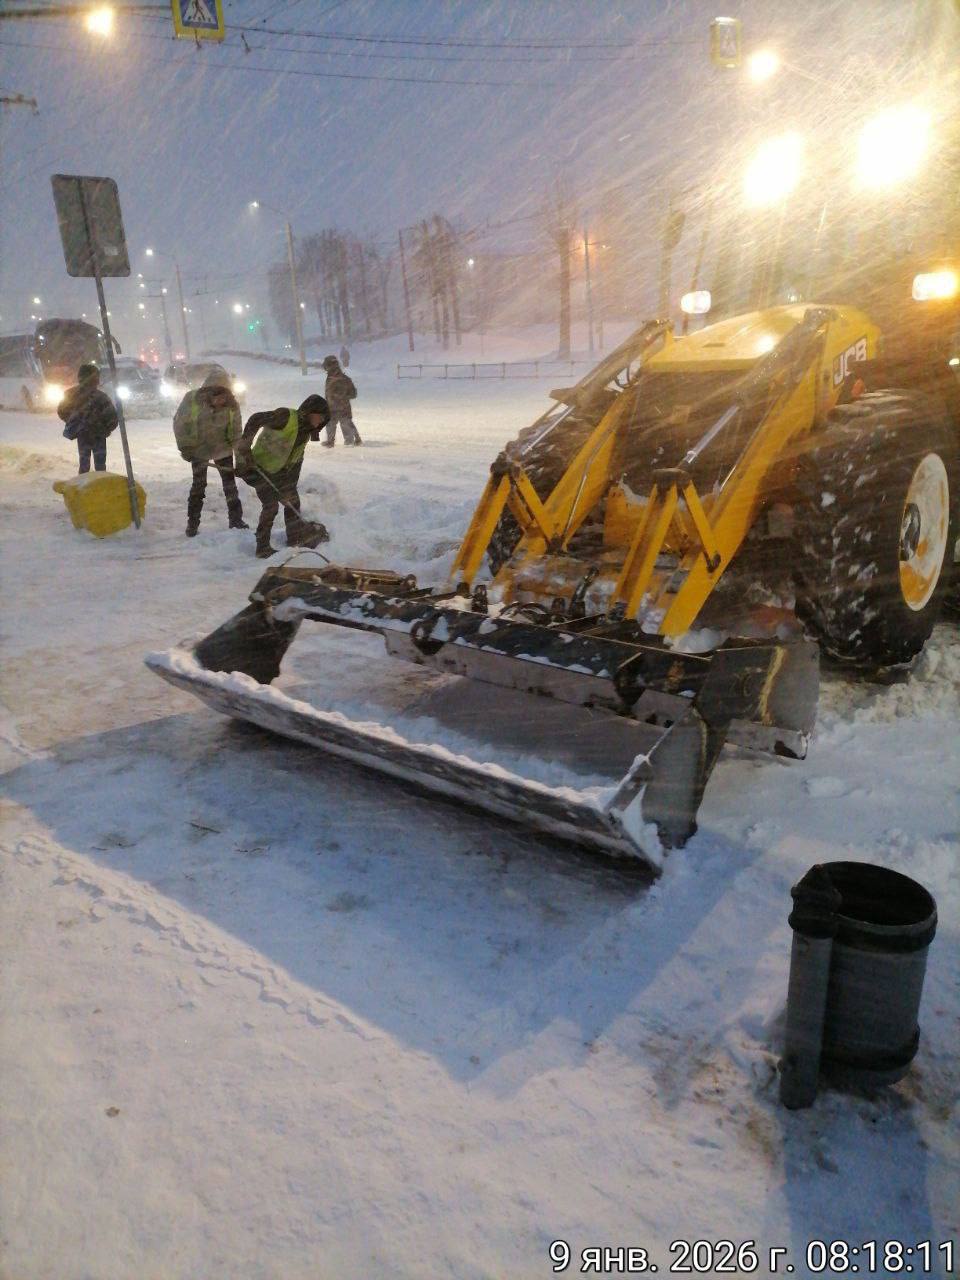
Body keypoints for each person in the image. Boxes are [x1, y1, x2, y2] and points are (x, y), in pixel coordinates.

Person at [236, 393, 330, 558]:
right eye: (320, 416)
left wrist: (290, 487)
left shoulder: (305, 432)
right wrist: (245, 447)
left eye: (323, 419)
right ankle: (262, 546)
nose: (321, 421)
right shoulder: (286, 417)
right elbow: (256, 418)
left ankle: (294, 537)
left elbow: (296, 461)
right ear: (309, 411)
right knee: (271, 506)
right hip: (257, 468)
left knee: (293, 502)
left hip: (279, 473)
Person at [173, 370, 248, 537]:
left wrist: (242, 460)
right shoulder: (192, 400)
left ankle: (236, 520)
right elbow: (179, 425)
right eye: (218, 398)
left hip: (222, 449)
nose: (221, 402)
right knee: (198, 487)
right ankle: (192, 523)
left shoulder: (232, 406)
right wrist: (185, 448)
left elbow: (237, 434)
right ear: (209, 393)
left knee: (230, 486)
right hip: (198, 450)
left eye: (225, 398)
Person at [57, 363, 118, 474]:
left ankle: (83, 485)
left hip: (82, 433)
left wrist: (74, 421)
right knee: (100, 465)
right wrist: (105, 428)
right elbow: (112, 417)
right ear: (96, 379)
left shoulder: (71, 395)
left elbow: (62, 411)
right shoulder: (101, 397)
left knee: (84, 463)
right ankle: (100, 484)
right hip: (99, 435)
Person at [321, 354, 361, 447]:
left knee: (346, 423)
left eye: (326, 366)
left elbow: (353, 394)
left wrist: (340, 397)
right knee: (331, 423)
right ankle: (330, 441)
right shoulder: (330, 378)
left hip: (343, 407)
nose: (325, 368)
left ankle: (353, 441)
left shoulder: (343, 379)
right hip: (333, 407)